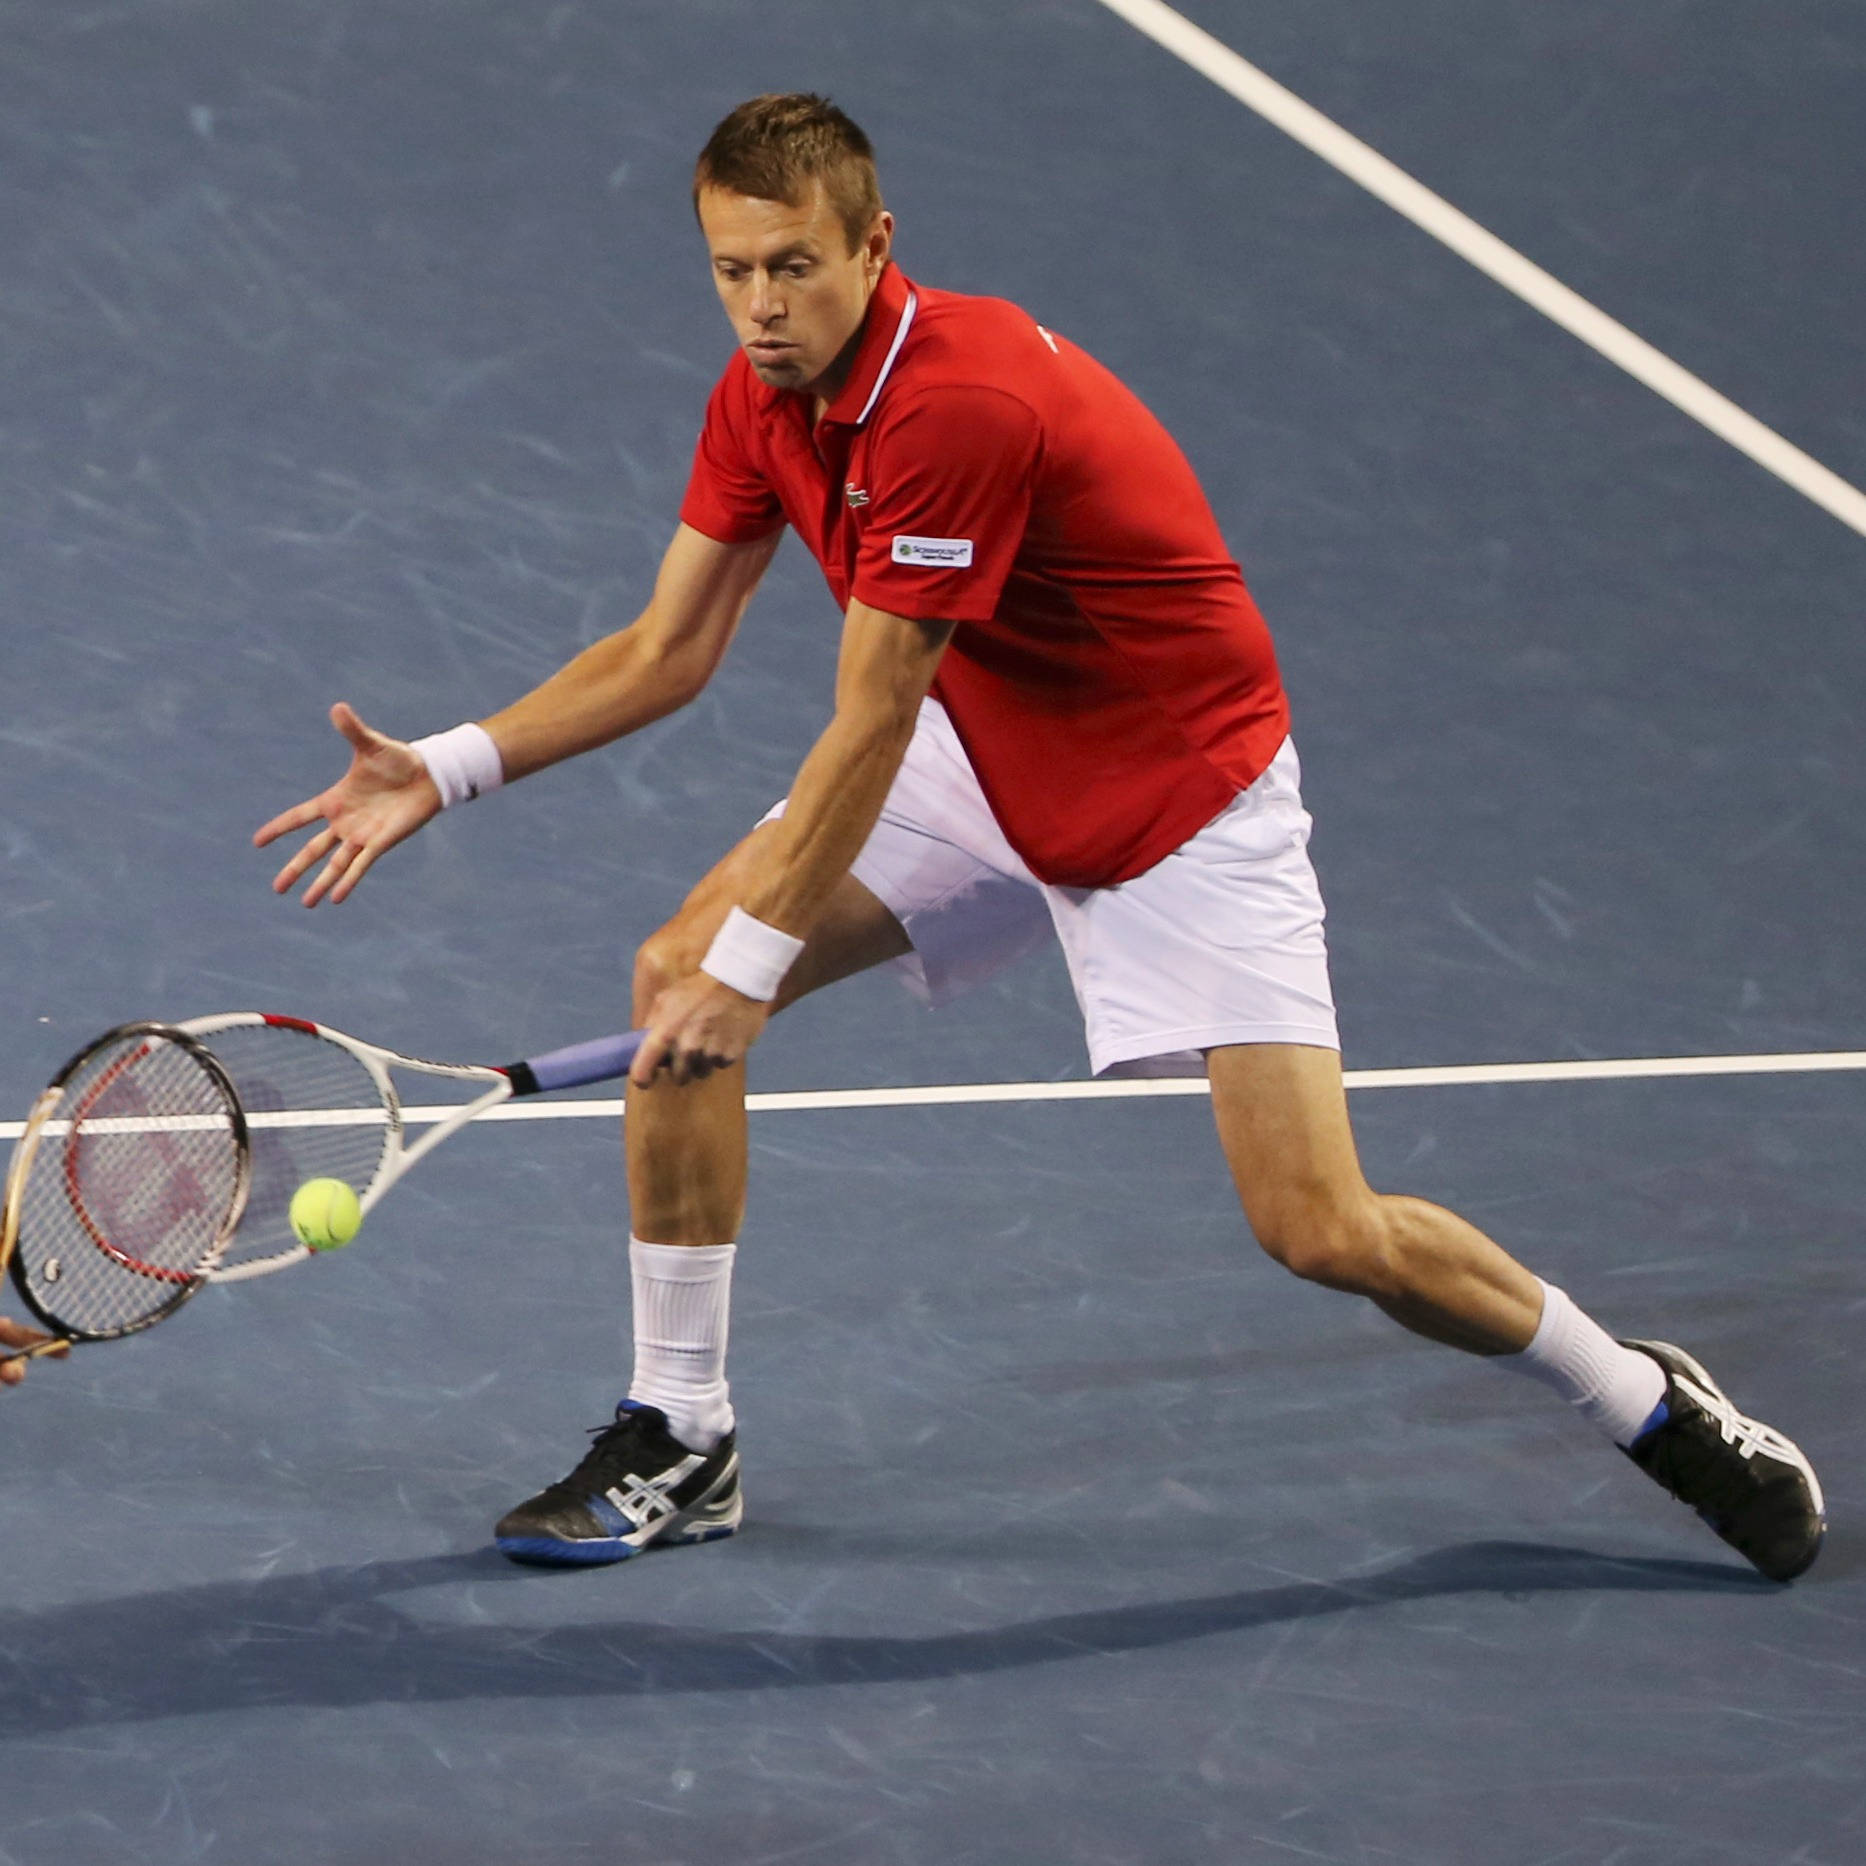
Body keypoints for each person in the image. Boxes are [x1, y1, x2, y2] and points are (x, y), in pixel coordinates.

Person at [254, 93, 1824, 1582]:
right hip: (986, 750)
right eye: (731, 270)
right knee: (676, 966)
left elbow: (870, 717)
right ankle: (683, 1431)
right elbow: (672, 647)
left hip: (1175, 800)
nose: (759, 305)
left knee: (1318, 1228)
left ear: (875, 247)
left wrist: (750, 968)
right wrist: (449, 767)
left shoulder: (958, 406)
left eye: (793, 265)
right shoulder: (762, 396)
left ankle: (1636, 1394)